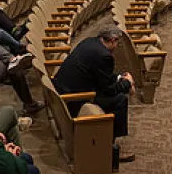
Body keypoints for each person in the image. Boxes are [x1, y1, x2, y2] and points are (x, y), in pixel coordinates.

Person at [53, 26, 135, 163]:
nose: (117, 46)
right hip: (75, 99)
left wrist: (120, 78)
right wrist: (127, 84)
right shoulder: (104, 56)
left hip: (64, 89)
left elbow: (101, 76)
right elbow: (108, 90)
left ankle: (109, 143)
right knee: (120, 100)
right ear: (113, 40)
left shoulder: (90, 42)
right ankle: (110, 148)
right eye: (117, 42)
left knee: (116, 94)